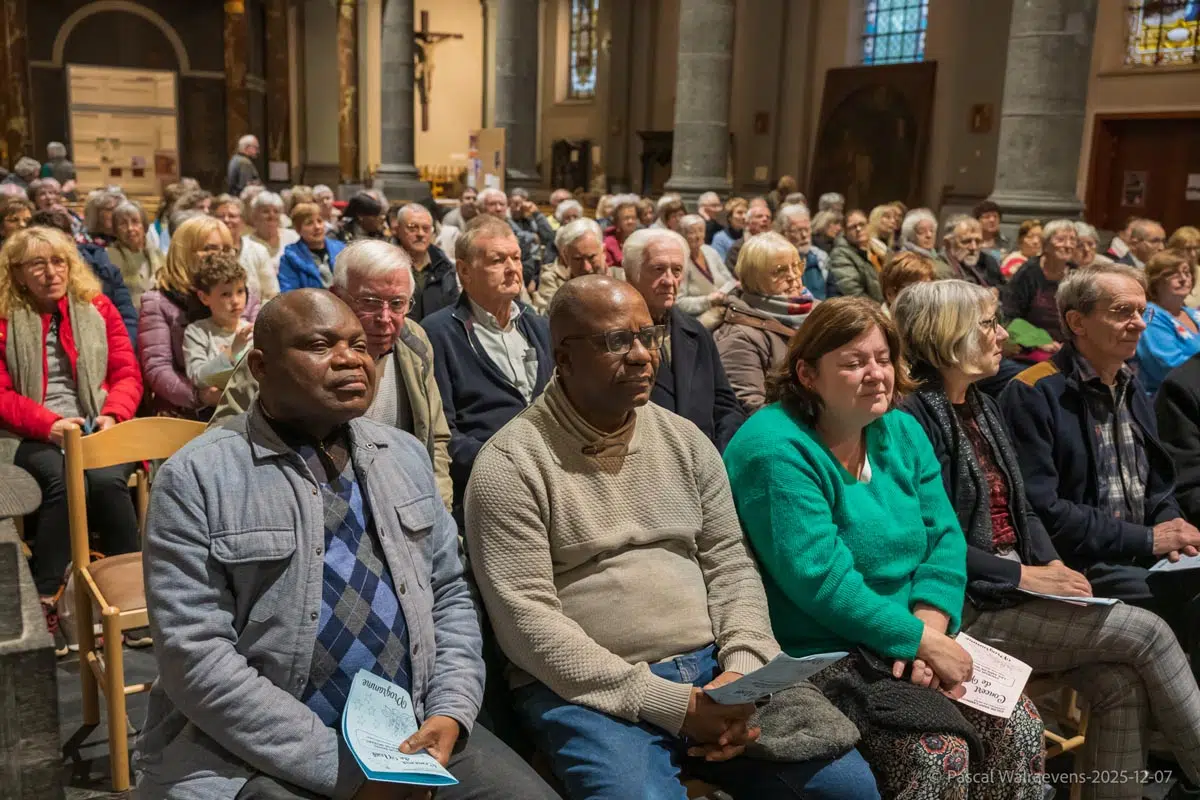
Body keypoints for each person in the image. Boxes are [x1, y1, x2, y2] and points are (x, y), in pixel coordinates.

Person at [466, 274, 878, 800]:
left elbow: (731, 562)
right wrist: (676, 707)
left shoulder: (683, 438)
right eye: (617, 341)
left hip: (716, 669)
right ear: (564, 358)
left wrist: (742, 670)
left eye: (648, 335)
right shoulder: (510, 463)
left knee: (847, 787)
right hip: (592, 689)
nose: (642, 356)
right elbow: (526, 621)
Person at [137, 288, 557, 800]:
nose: (350, 359)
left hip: (414, 726)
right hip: (254, 751)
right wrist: (345, 772)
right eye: (320, 345)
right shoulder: (197, 477)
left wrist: (451, 708)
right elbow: (195, 657)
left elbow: (450, 593)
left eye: (359, 345)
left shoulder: (403, 456)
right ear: (261, 366)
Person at [723, 297, 1045, 797]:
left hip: (912, 635)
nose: (876, 374)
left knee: (1019, 726)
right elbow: (821, 581)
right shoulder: (774, 447)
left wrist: (928, 631)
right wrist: (919, 642)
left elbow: (944, 540)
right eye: (854, 363)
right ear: (807, 373)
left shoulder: (901, 428)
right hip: (823, 651)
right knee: (938, 754)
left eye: (883, 359)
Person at [896, 280, 1200, 800]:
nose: (1003, 335)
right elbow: (934, 543)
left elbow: (1024, 510)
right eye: (988, 324)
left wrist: (1054, 569)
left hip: (1018, 585)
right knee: (1147, 631)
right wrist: (1026, 574)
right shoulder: (912, 418)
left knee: (1119, 683)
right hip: (964, 604)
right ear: (946, 334)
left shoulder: (981, 406)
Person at [1001, 263, 1200, 674]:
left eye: (1142, 312)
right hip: (1082, 565)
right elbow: (1044, 510)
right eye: (1123, 312)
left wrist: (1172, 525)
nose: (1139, 324)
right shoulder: (1035, 392)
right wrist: (1148, 539)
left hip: (1143, 555)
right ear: (1078, 322)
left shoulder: (1130, 384)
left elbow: (1158, 486)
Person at [211, 239, 453, 510]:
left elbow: (435, 438)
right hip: (295, 502)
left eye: (397, 303)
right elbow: (222, 439)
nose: (385, 318)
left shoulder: (414, 343)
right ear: (336, 295)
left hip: (398, 503)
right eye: (370, 302)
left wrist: (438, 507)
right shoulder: (283, 350)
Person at [0, 226, 142, 651]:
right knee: (66, 481)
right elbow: (2, 394)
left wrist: (114, 414)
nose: (51, 272)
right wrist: (49, 424)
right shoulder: (5, 319)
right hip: (33, 430)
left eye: (58, 261)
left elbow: (126, 373)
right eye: (37, 264)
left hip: (99, 421)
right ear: (17, 273)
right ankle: (47, 598)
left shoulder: (96, 307)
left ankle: (130, 596)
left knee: (107, 481)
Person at [423, 216, 552, 518]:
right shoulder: (438, 333)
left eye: (516, 258)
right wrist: (502, 462)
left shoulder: (539, 326)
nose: (512, 268)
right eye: (497, 260)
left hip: (550, 479)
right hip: (483, 487)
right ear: (464, 271)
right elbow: (442, 433)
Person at [623, 228, 745, 451]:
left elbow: (726, 406)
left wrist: (718, 455)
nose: (669, 280)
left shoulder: (696, 332)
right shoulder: (615, 338)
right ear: (631, 274)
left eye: (677, 270)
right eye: (658, 269)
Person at [139, 216, 256, 417]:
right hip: (184, 409)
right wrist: (199, 396)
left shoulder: (245, 295)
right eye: (210, 248)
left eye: (227, 249)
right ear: (184, 252)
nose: (220, 255)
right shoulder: (159, 301)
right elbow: (158, 368)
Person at [714, 232, 817, 412]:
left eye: (796, 266)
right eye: (780, 271)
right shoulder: (739, 336)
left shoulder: (818, 311)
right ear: (754, 280)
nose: (793, 276)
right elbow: (751, 407)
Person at [32, 207, 139, 345]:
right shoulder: (32, 277)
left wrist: (121, 347)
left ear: (71, 239)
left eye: (63, 241)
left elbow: (127, 316)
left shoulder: (104, 267)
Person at [1001, 218, 1075, 360]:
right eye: (1061, 239)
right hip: (1030, 347)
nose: (1068, 245)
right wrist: (1039, 341)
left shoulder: (1077, 274)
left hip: (1069, 347)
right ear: (1045, 244)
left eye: (1072, 240)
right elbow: (1009, 316)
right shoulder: (1028, 273)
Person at [182, 252, 252, 397]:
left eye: (240, 291)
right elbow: (198, 377)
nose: (236, 301)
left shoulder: (252, 331)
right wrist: (233, 351)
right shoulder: (197, 332)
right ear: (204, 297)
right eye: (226, 294)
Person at [1136, 250, 1200, 396]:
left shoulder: (1193, 314)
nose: (1183, 279)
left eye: (1187, 272)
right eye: (1172, 274)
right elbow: (1169, 367)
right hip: (1170, 400)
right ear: (1155, 281)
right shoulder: (1150, 316)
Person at [393, 203, 457, 323]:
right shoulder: (385, 264)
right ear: (398, 230)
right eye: (412, 228)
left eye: (426, 228)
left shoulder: (445, 267)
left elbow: (453, 310)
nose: (420, 234)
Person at [531, 217, 609, 315]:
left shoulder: (622, 277)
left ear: (604, 251)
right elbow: (547, 317)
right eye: (578, 259)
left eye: (591, 257)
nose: (586, 267)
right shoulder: (553, 283)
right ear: (565, 257)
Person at [212, 193, 276, 304]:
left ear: (242, 221)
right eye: (221, 216)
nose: (226, 220)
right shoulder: (209, 251)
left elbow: (271, 293)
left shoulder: (258, 251)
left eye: (232, 216)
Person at [677, 214, 735, 330]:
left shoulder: (710, 251)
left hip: (724, 311)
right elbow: (679, 303)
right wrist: (708, 300)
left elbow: (730, 280)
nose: (698, 236)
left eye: (701, 231)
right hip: (697, 320)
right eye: (692, 232)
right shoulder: (680, 260)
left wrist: (723, 292)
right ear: (682, 235)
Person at [277, 203, 346, 293]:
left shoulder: (341, 249)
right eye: (309, 223)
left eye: (319, 221)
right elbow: (289, 293)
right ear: (298, 230)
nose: (317, 227)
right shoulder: (289, 259)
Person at [107, 200, 163, 308]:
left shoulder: (158, 255)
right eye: (123, 224)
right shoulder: (109, 257)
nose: (130, 228)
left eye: (135, 222)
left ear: (144, 226)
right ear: (115, 230)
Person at [774, 204, 831, 300]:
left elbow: (833, 292)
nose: (804, 235)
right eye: (797, 231)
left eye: (807, 229)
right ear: (783, 233)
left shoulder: (820, 257)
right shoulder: (775, 262)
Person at [828, 209, 882, 302]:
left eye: (862, 224)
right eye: (852, 227)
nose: (858, 229)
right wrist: (879, 308)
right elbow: (854, 292)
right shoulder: (840, 254)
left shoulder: (877, 248)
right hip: (866, 307)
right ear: (845, 231)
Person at [247, 191, 300, 279]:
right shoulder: (247, 244)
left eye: (276, 211)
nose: (272, 215)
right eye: (266, 211)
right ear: (254, 216)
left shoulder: (293, 237)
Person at [898, 208, 952, 280]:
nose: (929, 235)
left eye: (932, 230)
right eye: (921, 231)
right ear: (911, 235)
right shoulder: (906, 260)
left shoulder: (936, 255)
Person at [723, 205, 773, 274]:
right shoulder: (738, 248)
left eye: (768, 217)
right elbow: (734, 276)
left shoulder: (776, 245)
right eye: (759, 216)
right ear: (747, 222)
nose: (765, 219)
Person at [602, 196, 641, 269]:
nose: (630, 221)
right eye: (626, 218)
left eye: (633, 217)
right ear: (618, 221)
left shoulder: (640, 239)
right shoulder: (608, 243)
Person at [711, 197, 748, 263]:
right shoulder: (720, 238)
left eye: (746, 213)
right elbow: (720, 265)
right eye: (739, 213)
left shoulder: (749, 235)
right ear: (729, 217)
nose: (744, 217)